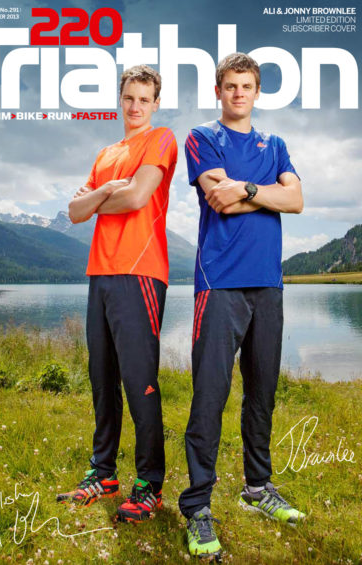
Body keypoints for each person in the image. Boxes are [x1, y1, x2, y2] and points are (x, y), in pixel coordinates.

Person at [178, 53, 305, 559]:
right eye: (230, 85)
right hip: (220, 283)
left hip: (267, 285)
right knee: (210, 395)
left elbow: (297, 202)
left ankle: (258, 488)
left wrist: (249, 187)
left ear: (257, 91)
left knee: (262, 393)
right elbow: (220, 200)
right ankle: (197, 507)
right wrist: (270, 191)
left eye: (246, 85)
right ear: (218, 90)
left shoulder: (274, 144)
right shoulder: (202, 138)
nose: (238, 93)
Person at [58, 65, 177, 523]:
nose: (135, 107)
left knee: (139, 382)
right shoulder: (106, 153)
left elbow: (136, 198)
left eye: (144, 99)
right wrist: (107, 187)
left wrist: (99, 198)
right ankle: (103, 474)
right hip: (101, 274)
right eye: (129, 98)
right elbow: (72, 212)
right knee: (102, 379)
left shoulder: (160, 138)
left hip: (141, 273)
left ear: (154, 103)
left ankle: (149, 485)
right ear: (119, 99)